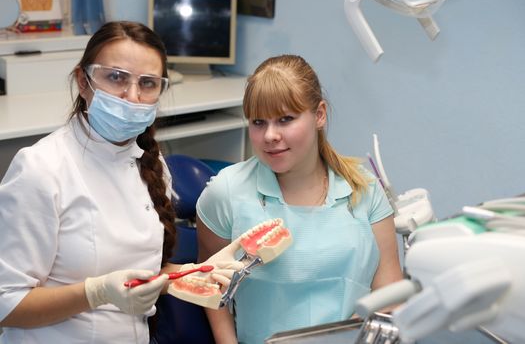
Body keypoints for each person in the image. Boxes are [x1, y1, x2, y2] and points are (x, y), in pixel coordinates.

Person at [0, 21, 240, 343]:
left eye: (148, 83)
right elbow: (7, 304)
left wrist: (195, 274)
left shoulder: (152, 166)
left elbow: (138, 272)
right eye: (116, 77)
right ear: (83, 82)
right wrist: (96, 293)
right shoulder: (41, 169)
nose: (132, 97)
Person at [196, 54, 404, 343]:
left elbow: (390, 295)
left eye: (285, 119)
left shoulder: (365, 190)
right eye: (258, 122)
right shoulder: (225, 193)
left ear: (319, 114)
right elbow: (209, 281)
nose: (270, 135)